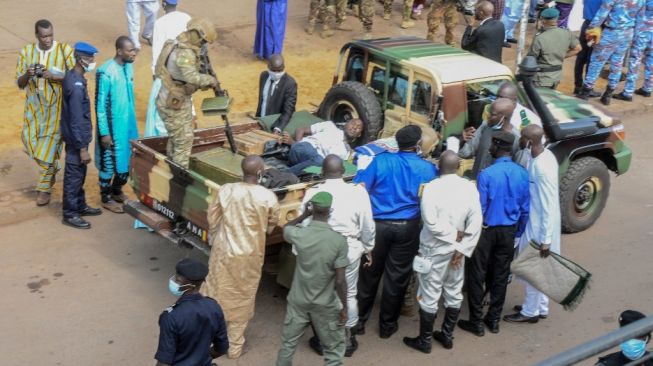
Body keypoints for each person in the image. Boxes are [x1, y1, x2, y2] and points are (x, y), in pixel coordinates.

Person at [353, 125, 439, 339]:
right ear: (418, 145)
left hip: (378, 227)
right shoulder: (427, 169)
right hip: (407, 228)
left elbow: (359, 187)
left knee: (369, 273)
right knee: (397, 277)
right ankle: (387, 326)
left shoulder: (380, 161)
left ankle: (359, 322)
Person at [402, 151, 482, 353]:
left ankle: (425, 341)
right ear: (458, 167)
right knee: (454, 293)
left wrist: (454, 238)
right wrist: (462, 247)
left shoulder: (431, 188)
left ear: (438, 167)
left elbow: (430, 222)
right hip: (457, 251)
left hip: (434, 249)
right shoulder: (469, 188)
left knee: (429, 294)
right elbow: (476, 221)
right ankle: (447, 335)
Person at [201, 155, 280, 359]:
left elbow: (212, 217)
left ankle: (208, 339)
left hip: (223, 252)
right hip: (250, 257)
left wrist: (218, 234)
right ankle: (234, 347)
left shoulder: (227, 189)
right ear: (260, 173)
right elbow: (271, 227)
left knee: (216, 290)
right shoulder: (268, 196)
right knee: (242, 297)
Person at [302, 155, 375, 358]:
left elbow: (304, 226)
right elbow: (368, 225)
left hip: (320, 251)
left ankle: (324, 341)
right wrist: (368, 247)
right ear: (343, 171)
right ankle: (348, 339)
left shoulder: (313, 193)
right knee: (349, 294)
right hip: (348, 249)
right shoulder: (358, 193)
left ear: (323, 173)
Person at [458, 130, 529, 337]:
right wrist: (518, 232)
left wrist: (469, 233)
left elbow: (479, 208)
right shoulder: (522, 173)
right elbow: (525, 208)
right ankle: (494, 319)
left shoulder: (487, 174)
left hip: (486, 230)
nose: (489, 147)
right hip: (509, 231)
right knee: (500, 275)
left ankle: (476, 321)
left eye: (491, 144)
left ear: (497, 147)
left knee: (476, 274)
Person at [275, 192, 349, 366]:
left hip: (298, 300)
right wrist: (344, 307)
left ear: (312, 209)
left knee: (288, 345)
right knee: (333, 351)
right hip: (325, 304)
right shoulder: (338, 241)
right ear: (330, 211)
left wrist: (304, 215)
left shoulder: (301, 234)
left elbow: (286, 228)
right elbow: (339, 281)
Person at [504, 125, 561, 323]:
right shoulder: (541, 156)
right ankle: (541, 306)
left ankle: (530, 312)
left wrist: (545, 240)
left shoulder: (542, 168)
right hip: (535, 222)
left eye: (522, 138)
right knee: (539, 269)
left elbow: (547, 206)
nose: (519, 140)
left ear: (529, 141)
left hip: (538, 227)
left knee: (532, 269)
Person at [16, 19, 75, 206]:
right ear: (36, 36)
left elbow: (76, 77)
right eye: (43, 36)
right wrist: (28, 74)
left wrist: (55, 76)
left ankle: (44, 189)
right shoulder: (26, 52)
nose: (48, 39)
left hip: (56, 110)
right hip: (33, 109)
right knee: (29, 142)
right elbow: (19, 83)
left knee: (49, 149)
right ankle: (53, 167)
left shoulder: (64, 50)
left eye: (50, 35)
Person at [156, 17, 220, 169]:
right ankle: (179, 174)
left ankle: (172, 166)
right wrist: (210, 80)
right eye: (203, 41)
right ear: (196, 33)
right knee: (184, 140)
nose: (203, 45)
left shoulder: (175, 44)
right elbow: (191, 77)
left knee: (176, 138)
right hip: (173, 104)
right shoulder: (185, 53)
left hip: (171, 99)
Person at [155, 258, 229, 366]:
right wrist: (199, 358)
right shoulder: (214, 307)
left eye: (178, 280)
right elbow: (222, 348)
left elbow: (163, 363)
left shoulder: (170, 317)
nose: (174, 281)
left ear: (189, 286)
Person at [60, 42, 102, 229]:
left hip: (77, 138)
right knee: (74, 176)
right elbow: (76, 119)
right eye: (90, 58)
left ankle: (79, 204)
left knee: (80, 173)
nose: (93, 61)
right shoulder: (76, 86)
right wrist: (82, 148)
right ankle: (70, 213)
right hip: (77, 141)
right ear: (81, 59)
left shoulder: (72, 76)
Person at [95, 36, 139, 214]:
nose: (134, 53)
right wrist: (104, 133)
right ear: (119, 51)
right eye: (130, 50)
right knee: (109, 164)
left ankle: (117, 190)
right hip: (112, 129)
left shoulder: (129, 67)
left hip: (128, 126)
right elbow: (100, 106)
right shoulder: (105, 72)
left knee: (127, 163)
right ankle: (105, 197)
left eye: (134, 50)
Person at [577, 0, 646, 105]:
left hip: (610, 33)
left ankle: (585, 93)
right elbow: (640, 21)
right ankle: (607, 95)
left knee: (596, 62)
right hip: (627, 34)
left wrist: (590, 29)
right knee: (617, 64)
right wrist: (635, 37)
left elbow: (602, 14)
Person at [458, 98, 526, 179]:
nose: (488, 116)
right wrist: (462, 141)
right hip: (477, 182)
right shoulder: (485, 127)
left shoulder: (517, 140)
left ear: (503, 118)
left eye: (492, 114)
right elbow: (465, 153)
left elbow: (517, 173)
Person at [281, 119, 363, 175]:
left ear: (359, 135)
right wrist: (296, 144)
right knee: (321, 162)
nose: (355, 127)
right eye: (353, 123)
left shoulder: (346, 153)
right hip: (304, 147)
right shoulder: (329, 126)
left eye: (358, 127)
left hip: (312, 165)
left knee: (322, 165)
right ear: (346, 123)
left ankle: (286, 174)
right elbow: (300, 129)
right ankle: (283, 174)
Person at [528, 8, 581, 89]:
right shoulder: (567, 33)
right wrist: (562, 55)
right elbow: (578, 49)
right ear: (557, 19)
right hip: (556, 76)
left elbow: (531, 59)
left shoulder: (540, 37)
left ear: (543, 20)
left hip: (541, 78)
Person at [614, 0, 653, 102]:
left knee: (635, 61)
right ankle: (647, 89)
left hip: (642, 32)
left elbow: (637, 12)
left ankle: (628, 92)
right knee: (651, 61)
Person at [256, 54, 297, 133]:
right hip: (261, 121)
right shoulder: (263, 76)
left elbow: (289, 110)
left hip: (274, 126)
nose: (276, 73)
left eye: (279, 71)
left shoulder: (290, 83)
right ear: (268, 67)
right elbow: (262, 101)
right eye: (274, 70)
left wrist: (278, 128)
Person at [573, 0, 603, 96]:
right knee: (592, 59)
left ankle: (578, 86)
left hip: (586, 24)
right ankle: (587, 88)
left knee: (581, 57)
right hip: (597, 27)